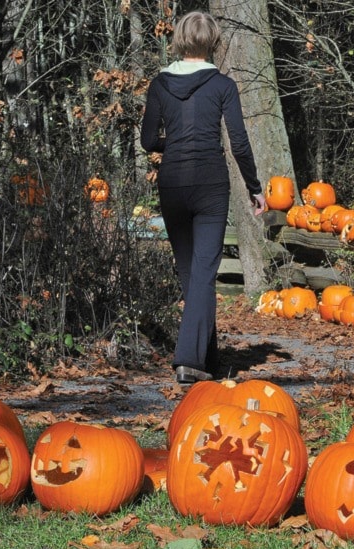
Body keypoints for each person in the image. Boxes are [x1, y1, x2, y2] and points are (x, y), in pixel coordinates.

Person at [141, 11, 264, 384]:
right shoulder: (222, 85)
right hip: (211, 182)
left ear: (178, 40)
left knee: (192, 272)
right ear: (212, 42)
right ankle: (189, 359)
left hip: (173, 181)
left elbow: (148, 141)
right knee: (203, 273)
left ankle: (207, 358)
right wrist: (254, 187)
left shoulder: (159, 84)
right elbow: (239, 143)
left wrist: (173, 144)